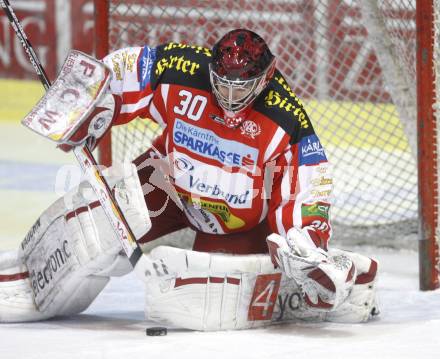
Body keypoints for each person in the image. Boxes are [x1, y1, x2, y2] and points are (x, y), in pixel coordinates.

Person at [0, 29, 378, 330]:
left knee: (202, 292)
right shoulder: (183, 67)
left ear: (266, 78)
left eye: (241, 87)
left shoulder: (286, 118)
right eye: (222, 83)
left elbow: (306, 184)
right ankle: (31, 272)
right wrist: (87, 102)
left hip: (233, 223)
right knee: (95, 223)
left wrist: (304, 240)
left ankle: (346, 276)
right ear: (211, 68)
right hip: (166, 185)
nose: (229, 96)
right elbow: (127, 69)